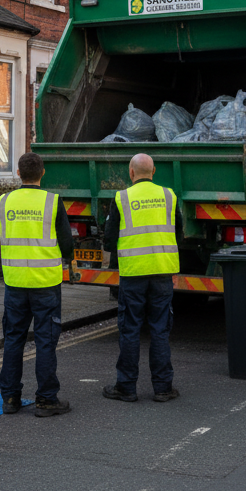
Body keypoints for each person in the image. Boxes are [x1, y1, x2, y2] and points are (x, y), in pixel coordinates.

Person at [0, 152, 75, 417]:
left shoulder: (3, 203)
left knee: (13, 340)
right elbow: (66, 242)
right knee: (45, 342)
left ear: (18, 173)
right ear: (42, 173)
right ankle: (46, 400)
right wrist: (69, 261)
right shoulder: (53, 202)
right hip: (46, 283)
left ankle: (10, 399)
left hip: (15, 282)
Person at [102, 153, 183, 403]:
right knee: (160, 330)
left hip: (133, 274)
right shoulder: (169, 196)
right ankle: (163, 388)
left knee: (130, 330)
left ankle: (126, 387)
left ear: (131, 172)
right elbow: (178, 234)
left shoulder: (122, 198)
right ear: (154, 171)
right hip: (161, 272)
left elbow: (108, 239)